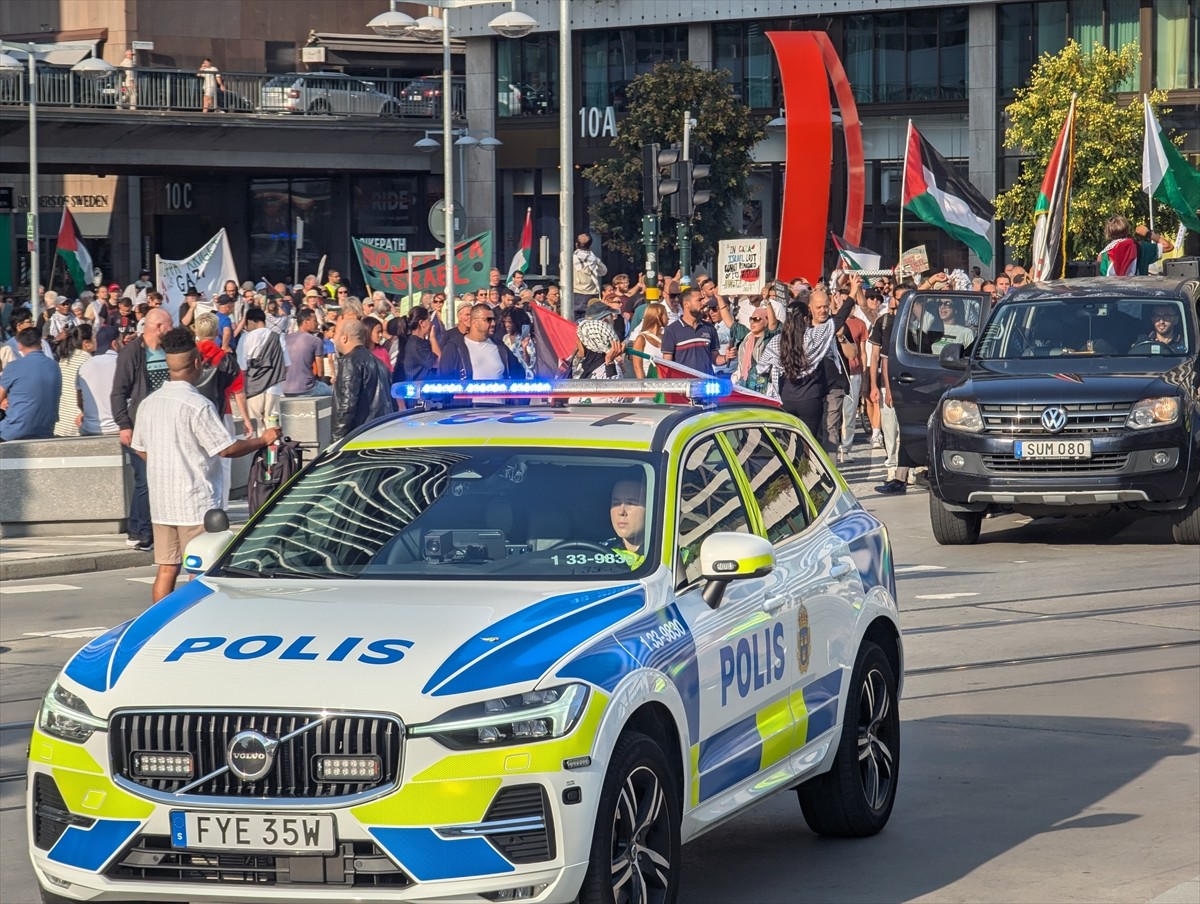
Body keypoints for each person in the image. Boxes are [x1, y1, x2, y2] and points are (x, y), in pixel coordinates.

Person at [132, 328, 279, 602]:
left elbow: (140, 448)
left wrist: (166, 462)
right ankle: (193, 619)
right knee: (199, 571)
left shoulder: (148, 404)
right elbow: (227, 449)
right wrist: (263, 439)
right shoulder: (197, 404)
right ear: (198, 362)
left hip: (162, 502)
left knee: (166, 568)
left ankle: (159, 623)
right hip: (195, 501)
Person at [111, 307, 174, 549]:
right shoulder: (132, 353)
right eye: (169, 324)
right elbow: (119, 391)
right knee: (145, 479)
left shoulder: (168, 350)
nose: (171, 328)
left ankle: (143, 528)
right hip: (140, 425)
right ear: (158, 327)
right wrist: (124, 424)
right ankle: (141, 531)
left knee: (155, 479)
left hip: (166, 423)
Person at [759, 286, 851, 439]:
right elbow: (839, 319)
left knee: (789, 442)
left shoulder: (777, 341)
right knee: (809, 442)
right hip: (810, 398)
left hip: (786, 397)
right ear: (806, 319)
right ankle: (807, 463)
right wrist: (852, 294)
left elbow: (762, 368)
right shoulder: (812, 337)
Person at [332, 319, 392, 443]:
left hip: (359, 436)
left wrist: (336, 442)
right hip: (380, 431)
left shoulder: (351, 361)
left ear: (344, 337)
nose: (334, 338)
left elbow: (347, 405)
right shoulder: (379, 362)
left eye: (335, 333)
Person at [0, 327, 61, 441]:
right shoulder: (54, 366)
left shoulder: (13, 367)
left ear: (19, 346)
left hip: (13, 432)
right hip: (45, 431)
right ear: (41, 344)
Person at [437, 303, 525, 380]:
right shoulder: (455, 347)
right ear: (475, 322)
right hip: (467, 399)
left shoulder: (500, 346)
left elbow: (519, 372)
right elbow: (443, 379)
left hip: (499, 399)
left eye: (494, 319)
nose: (493, 323)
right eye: (488, 320)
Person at [237, 306, 288, 434]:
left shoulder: (245, 338)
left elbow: (242, 368)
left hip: (253, 389)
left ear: (250, 321)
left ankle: (260, 453)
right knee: (273, 426)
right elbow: (286, 365)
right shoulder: (278, 337)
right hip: (273, 387)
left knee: (256, 427)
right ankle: (274, 452)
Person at [661, 288, 728, 375]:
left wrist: (727, 357)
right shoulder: (671, 331)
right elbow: (667, 365)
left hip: (706, 384)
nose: (703, 303)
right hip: (683, 385)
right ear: (686, 304)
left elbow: (715, 359)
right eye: (699, 300)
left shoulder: (709, 328)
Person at [77, 325, 122, 436]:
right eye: (121, 341)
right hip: (119, 428)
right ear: (114, 344)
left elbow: (80, 400)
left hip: (90, 429)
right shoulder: (123, 363)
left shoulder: (84, 366)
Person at [53, 324, 95, 437]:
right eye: (94, 337)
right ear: (86, 343)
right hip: (78, 424)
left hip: (60, 424)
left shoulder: (63, 359)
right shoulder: (89, 362)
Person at [1097, 215, 1174, 276]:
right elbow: (1168, 246)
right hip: (1138, 294)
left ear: (1108, 234)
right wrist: (1148, 233)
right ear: (1127, 230)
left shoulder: (1103, 255)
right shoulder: (1143, 247)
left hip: (1115, 294)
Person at [282, 307, 332, 397]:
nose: (317, 324)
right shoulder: (316, 341)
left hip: (284, 388)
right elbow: (320, 372)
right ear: (305, 322)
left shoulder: (286, 338)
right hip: (306, 389)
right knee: (330, 391)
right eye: (315, 320)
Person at [604, 473, 647, 570]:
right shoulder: (597, 553)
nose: (621, 512)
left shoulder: (673, 554)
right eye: (616, 503)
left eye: (631, 503)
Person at [572, 233, 607, 317]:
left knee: (575, 320)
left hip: (576, 293)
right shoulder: (593, 259)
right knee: (592, 317)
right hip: (591, 294)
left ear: (576, 244)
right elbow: (604, 271)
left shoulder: (571, 258)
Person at [631, 303, 668, 379]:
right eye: (665, 314)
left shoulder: (665, 337)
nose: (668, 318)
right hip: (649, 382)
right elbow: (637, 367)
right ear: (657, 317)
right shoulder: (641, 339)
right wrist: (644, 387)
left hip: (664, 382)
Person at [402, 306, 438, 384]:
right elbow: (439, 363)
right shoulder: (417, 345)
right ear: (421, 323)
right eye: (429, 320)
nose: (431, 323)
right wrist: (433, 338)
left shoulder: (420, 342)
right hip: (420, 391)